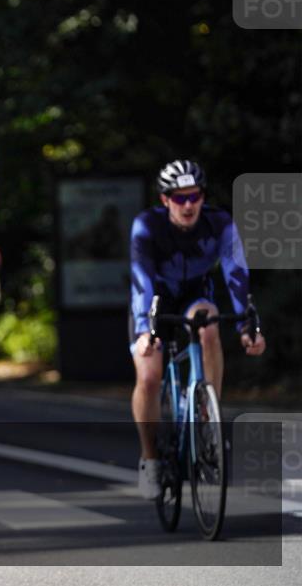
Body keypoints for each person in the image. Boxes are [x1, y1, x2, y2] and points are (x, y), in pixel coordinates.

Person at [129, 160, 266, 499]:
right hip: (155, 300)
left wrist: (248, 324)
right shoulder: (147, 225)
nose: (188, 205)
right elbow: (141, 277)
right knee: (148, 376)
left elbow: (236, 273)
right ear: (165, 200)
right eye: (179, 198)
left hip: (194, 295)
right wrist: (146, 328)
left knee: (208, 324)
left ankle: (208, 419)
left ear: (204, 196)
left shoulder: (219, 223)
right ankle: (150, 460)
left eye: (195, 196)